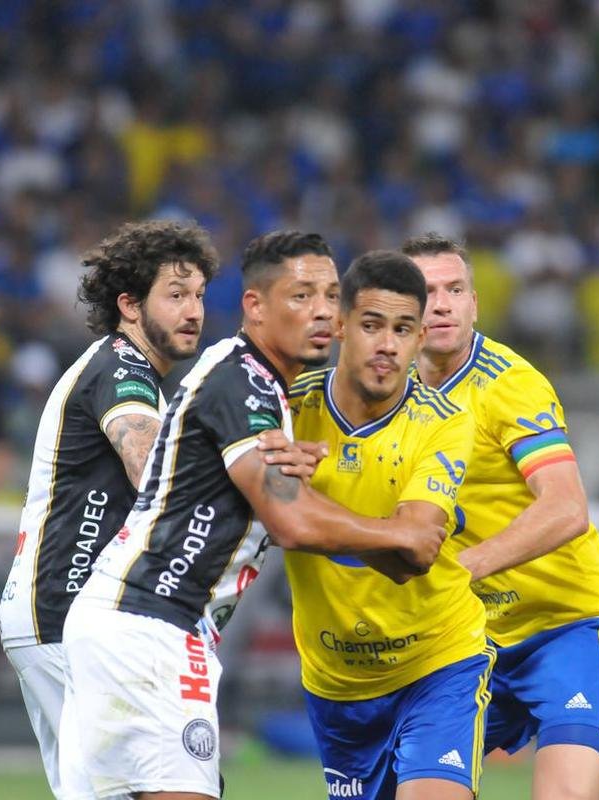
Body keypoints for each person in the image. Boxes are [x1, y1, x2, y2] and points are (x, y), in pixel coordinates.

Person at [59, 231, 447, 800]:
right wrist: (398, 536)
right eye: (300, 295)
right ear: (255, 306)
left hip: (124, 625)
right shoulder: (242, 382)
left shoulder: (260, 388)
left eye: (330, 295)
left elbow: (292, 508)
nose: (321, 311)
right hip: (154, 625)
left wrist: (388, 552)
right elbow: (291, 522)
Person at [404, 233, 599, 800]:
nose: (441, 304)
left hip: (570, 626)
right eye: (426, 292)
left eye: (455, 290)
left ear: (474, 303)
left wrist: (460, 572)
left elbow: (566, 507)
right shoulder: (392, 396)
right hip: (468, 644)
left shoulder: (509, 385)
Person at [0, 219, 219, 800]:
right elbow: (147, 460)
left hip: (57, 616)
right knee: (169, 782)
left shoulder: (126, 370)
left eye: (198, 295)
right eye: (175, 295)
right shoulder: (122, 369)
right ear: (128, 304)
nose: (193, 310)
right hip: (64, 612)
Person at [285, 250, 488, 800]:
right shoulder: (291, 410)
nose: (386, 345)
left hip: (438, 661)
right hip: (336, 681)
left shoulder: (444, 422)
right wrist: (302, 517)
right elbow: (289, 525)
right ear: (341, 328)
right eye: (372, 325)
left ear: (421, 338)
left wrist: (304, 509)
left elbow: (415, 555)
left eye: (403, 329)